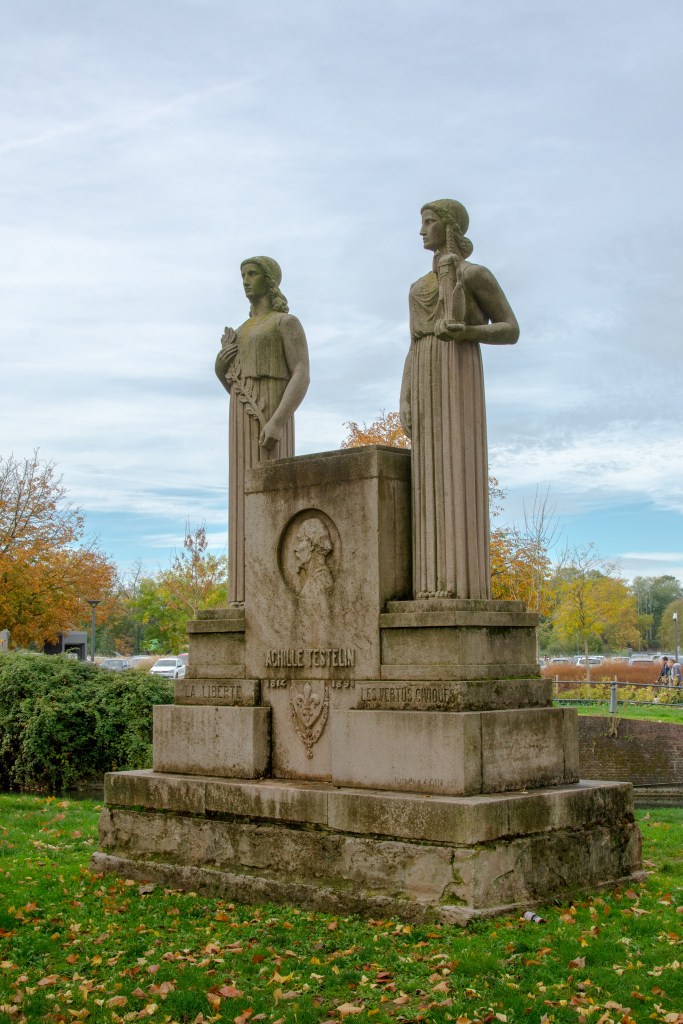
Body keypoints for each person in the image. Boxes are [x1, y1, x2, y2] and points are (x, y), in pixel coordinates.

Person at [399, 200, 519, 599]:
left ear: (449, 226)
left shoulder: (473, 274)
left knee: (455, 464)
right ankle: (430, 584)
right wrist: (405, 394)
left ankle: (459, 584)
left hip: (457, 368)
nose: (422, 230)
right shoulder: (418, 286)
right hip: (424, 370)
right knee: (426, 470)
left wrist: (468, 332)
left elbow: (510, 328)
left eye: (429, 222)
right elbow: (413, 343)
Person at [215, 257, 310, 604]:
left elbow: (301, 374)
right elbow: (233, 385)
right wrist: (220, 367)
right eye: (242, 274)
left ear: (269, 280)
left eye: (252, 274)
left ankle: (272, 594)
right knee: (241, 497)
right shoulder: (241, 330)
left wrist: (278, 421)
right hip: (242, 415)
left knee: (272, 498)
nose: (245, 280)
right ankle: (242, 594)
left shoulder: (286, 322)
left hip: (272, 409)